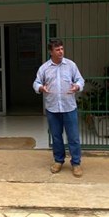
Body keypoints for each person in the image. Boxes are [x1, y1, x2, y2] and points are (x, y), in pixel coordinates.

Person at [33, 39, 85, 177]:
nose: (61, 51)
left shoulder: (71, 65)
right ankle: (58, 161)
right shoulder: (44, 68)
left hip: (69, 107)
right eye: (57, 50)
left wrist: (77, 86)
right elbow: (36, 82)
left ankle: (76, 163)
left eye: (62, 49)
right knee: (56, 137)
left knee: (73, 137)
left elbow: (80, 80)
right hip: (52, 108)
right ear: (51, 52)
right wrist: (41, 88)